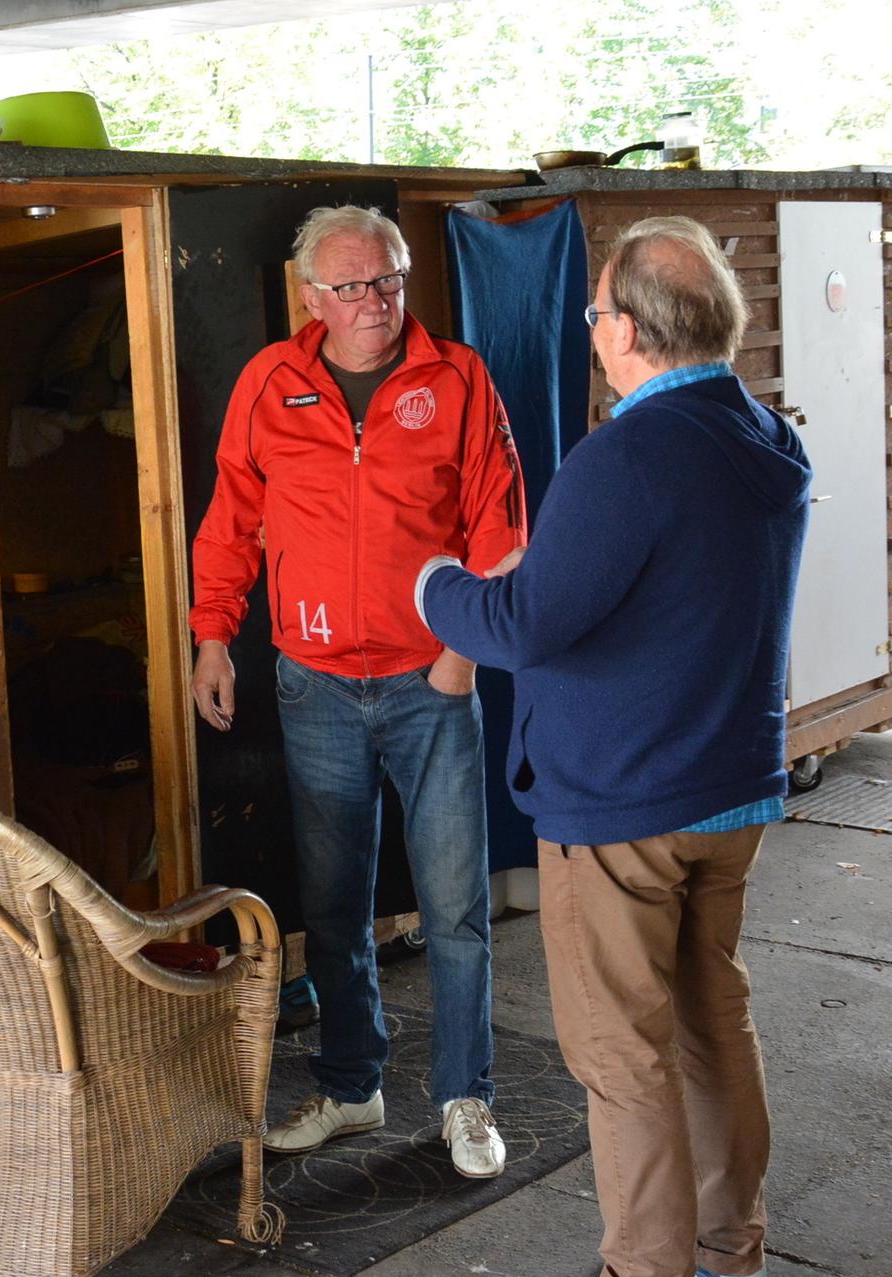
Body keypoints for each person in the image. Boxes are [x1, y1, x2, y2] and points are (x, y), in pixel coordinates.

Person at [413, 215, 811, 1277]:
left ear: (625, 330)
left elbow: (527, 619)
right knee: (707, 1028)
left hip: (626, 808)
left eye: (594, 314)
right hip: (728, 792)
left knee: (620, 1059)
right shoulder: (763, 436)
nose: (590, 331)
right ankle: (730, 1258)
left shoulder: (627, 456)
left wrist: (440, 588)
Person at [189, 203, 528, 1178]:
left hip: (432, 682)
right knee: (333, 904)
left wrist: (460, 657)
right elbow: (229, 520)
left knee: (455, 905)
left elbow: (500, 528)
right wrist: (214, 636)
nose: (374, 302)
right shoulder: (272, 382)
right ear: (311, 297)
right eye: (350, 287)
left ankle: (466, 1096)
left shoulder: (457, 377)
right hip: (317, 685)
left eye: (386, 280)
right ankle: (351, 1085)